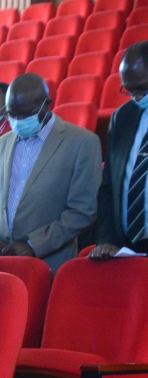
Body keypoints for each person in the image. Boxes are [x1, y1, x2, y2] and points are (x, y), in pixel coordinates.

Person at [0, 74, 102, 272]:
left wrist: (33, 245)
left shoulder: (82, 142)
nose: (17, 121)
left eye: (25, 114)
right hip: (1, 263)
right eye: (11, 114)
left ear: (47, 105)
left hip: (50, 265)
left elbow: (82, 212)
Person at [93, 41, 148, 258]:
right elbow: (109, 186)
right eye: (130, 90)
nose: (137, 97)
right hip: (127, 248)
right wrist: (106, 238)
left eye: (142, 88)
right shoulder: (122, 117)